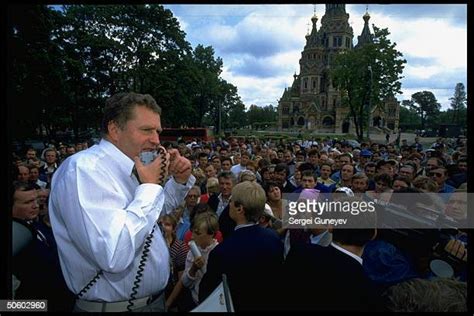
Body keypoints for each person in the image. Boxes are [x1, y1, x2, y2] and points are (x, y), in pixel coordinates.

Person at [49, 92, 195, 312]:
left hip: (152, 303)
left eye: (157, 131)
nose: (156, 140)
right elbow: (114, 253)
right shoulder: (84, 170)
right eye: (146, 130)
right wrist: (150, 188)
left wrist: (178, 181)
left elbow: (149, 220)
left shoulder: (131, 167)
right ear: (115, 130)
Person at [199, 181, 284, 311]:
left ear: (240, 209)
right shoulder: (273, 238)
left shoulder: (222, 252)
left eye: (232, 201)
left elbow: (208, 295)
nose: (229, 204)